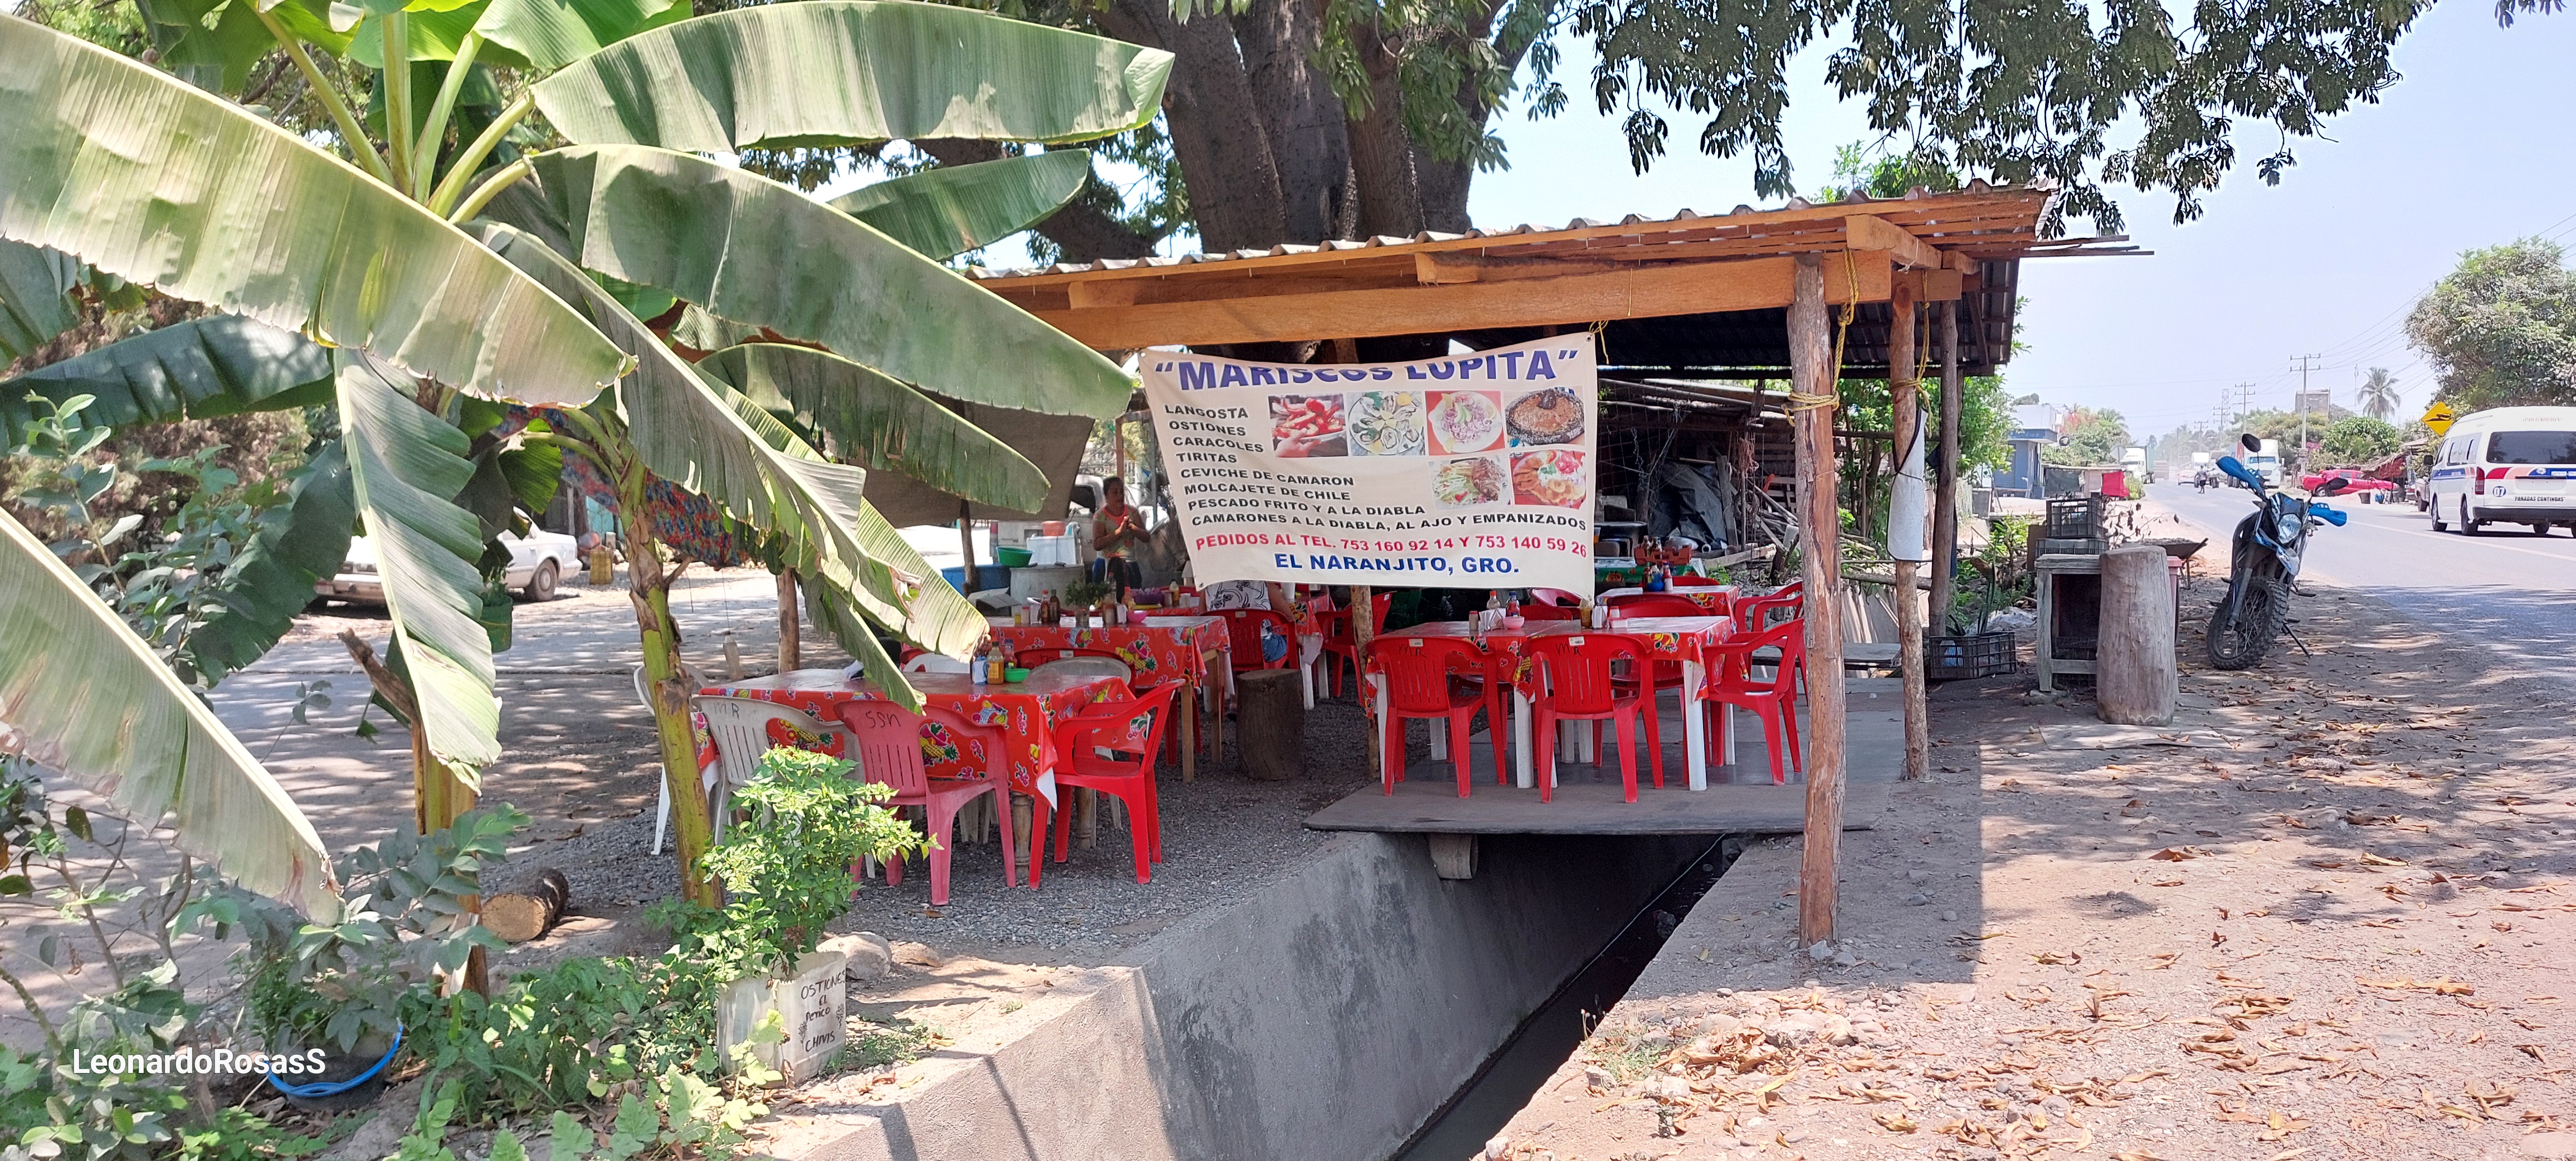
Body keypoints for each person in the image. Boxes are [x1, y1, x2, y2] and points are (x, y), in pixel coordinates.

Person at [1089, 476, 1148, 592]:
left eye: (1122, 492)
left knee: (1132, 601)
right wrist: (1118, 533)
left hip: (1130, 564)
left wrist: (1132, 528)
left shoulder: (1132, 512)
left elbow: (1146, 537)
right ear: (1106, 495)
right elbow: (1097, 545)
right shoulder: (1100, 516)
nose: (1120, 496)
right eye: (1115, 492)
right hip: (1106, 565)